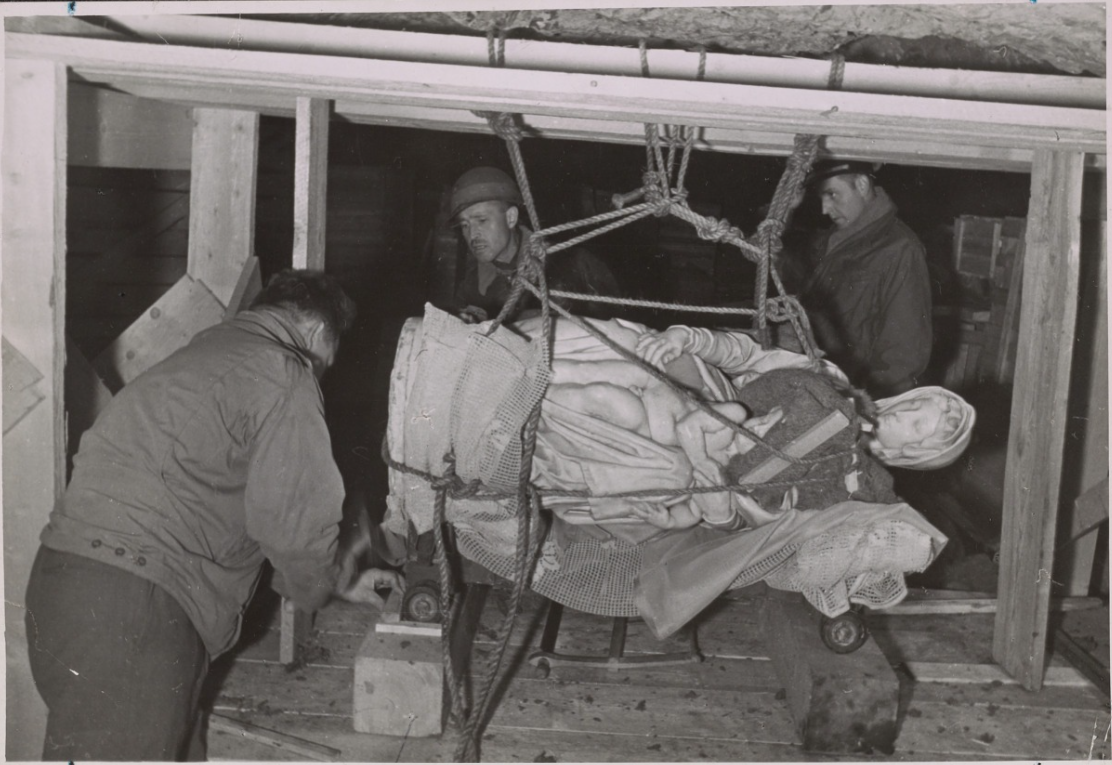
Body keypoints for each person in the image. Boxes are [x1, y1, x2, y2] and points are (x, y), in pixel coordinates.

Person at [24, 269, 404, 762]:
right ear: (315, 335)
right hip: (136, 612)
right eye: (326, 363)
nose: (321, 374)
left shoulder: (198, 359)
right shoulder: (283, 371)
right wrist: (323, 581)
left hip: (67, 592)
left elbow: (220, 511)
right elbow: (293, 528)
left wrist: (340, 579)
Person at [797, 159, 933, 398]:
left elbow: (904, 351)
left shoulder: (899, 248)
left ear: (861, 185)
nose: (824, 209)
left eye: (832, 194)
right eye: (821, 197)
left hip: (852, 397)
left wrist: (872, 412)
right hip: (815, 386)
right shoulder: (830, 242)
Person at [448, 166, 619, 323]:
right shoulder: (471, 290)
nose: (472, 234)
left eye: (482, 220)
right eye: (465, 225)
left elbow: (618, 329)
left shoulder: (575, 264)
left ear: (511, 218)